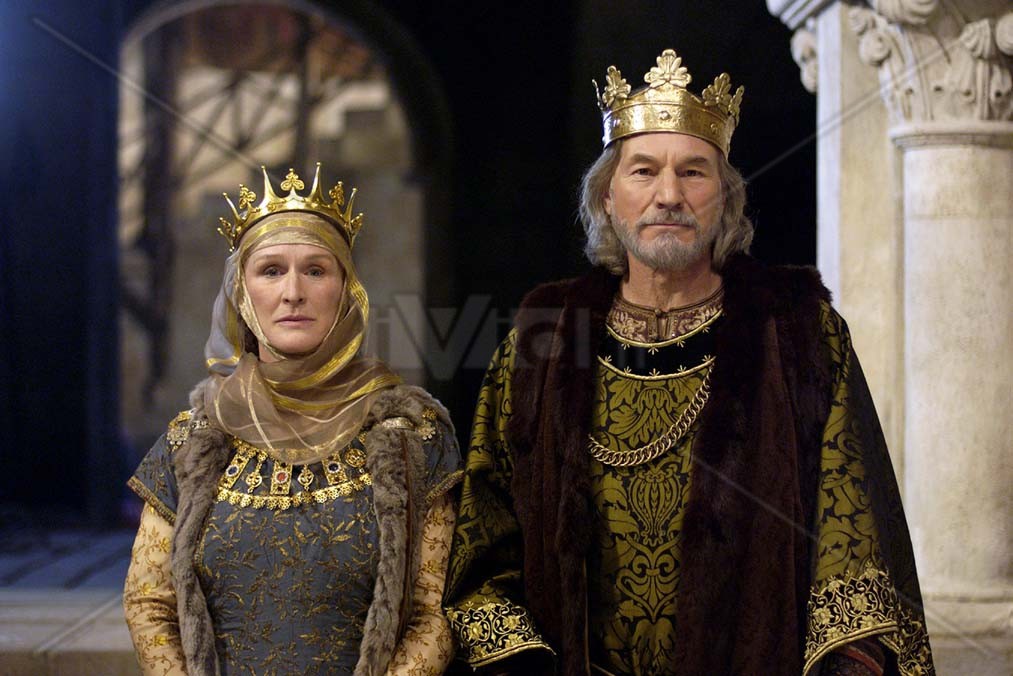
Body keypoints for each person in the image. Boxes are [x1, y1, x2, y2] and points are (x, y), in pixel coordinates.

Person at [444, 49, 934, 675]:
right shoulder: (539, 345)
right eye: (644, 171)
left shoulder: (800, 335)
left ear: (724, 199)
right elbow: (482, 553)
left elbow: (851, 543)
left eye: (694, 173)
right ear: (608, 197)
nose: (669, 195)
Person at [123, 165, 461, 675]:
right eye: (271, 270)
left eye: (316, 270)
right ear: (241, 293)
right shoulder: (191, 442)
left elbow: (435, 610)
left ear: (347, 290)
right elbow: (149, 603)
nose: (293, 292)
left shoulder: (413, 434)